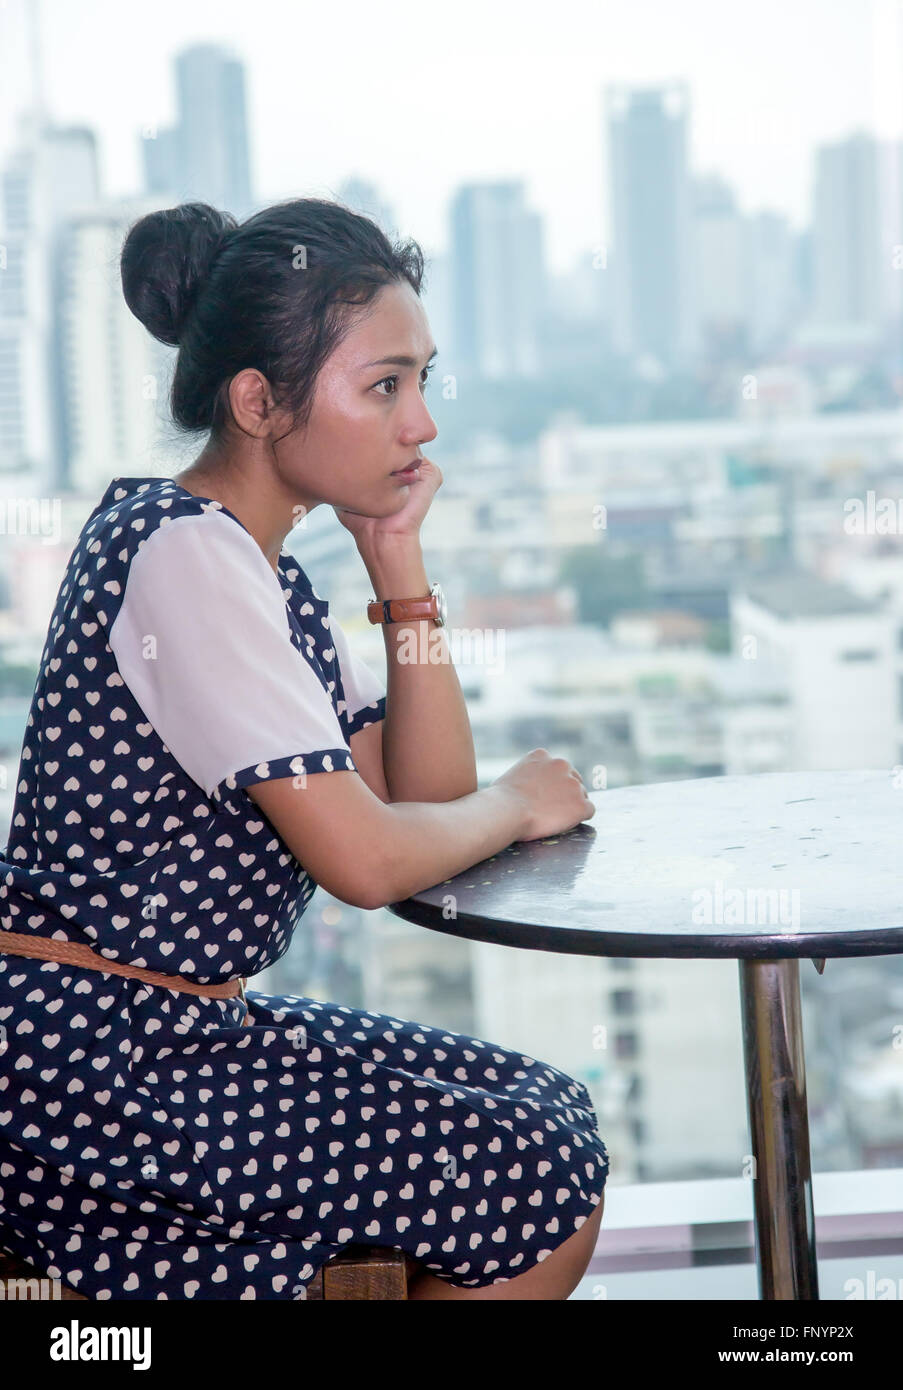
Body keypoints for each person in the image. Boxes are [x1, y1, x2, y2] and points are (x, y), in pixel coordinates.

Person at [0, 197, 609, 1301]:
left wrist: (397, 565)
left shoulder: (259, 575)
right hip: (95, 1066)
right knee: (541, 1175)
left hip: (163, 1031)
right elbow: (372, 862)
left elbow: (425, 796)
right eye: (386, 385)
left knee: (549, 1107)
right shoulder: (182, 556)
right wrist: (523, 804)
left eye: (422, 380)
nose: (421, 425)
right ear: (258, 402)